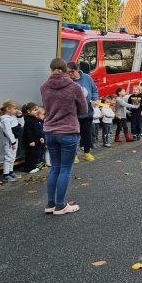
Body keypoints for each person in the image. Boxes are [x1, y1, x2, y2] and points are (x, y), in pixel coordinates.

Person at [41, 58, 87, 216]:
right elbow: (83, 110)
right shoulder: (74, 87)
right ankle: (61, 206)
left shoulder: (44, 87)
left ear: (51, 69)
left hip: (50, 131)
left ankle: (50, 204)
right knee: (65, 170)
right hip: (68, 130)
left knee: (55, 168)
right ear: (66, 70)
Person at [67, 61, 99, 162]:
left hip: (87, 110)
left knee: (87, 133)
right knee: (74, 134)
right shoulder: (67, 81)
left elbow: (94, 90)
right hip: (74, 112)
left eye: (71, 72)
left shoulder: (87, 77)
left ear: (76, 70)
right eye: (67, 73)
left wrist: (94, 99)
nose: (69, 74)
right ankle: (74, 155)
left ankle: (87, 153)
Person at [0, 99, 23, 183]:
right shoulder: (5, 119)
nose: (16, 110)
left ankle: (11, 172)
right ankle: (5, 175)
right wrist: (13, 141)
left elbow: (21, 125)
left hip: (15, 139)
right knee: (8, 156)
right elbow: (8, 131)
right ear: (8, 109)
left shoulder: (13, 117)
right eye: (15, 108)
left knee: (13, 156)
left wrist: (20, 116)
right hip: (9, 140)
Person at [20, 102, 44, 174]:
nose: (37, 111)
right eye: (35, 110)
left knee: (35, 154)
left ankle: (35, 166)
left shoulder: (35, 119)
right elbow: (28, 131)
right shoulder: (27, 120)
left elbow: (38, 129)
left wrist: (41, 137)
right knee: (30, 155)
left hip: (36, 140)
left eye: (37, 109)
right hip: (30, 141)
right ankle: (28, 168)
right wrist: (30, 140)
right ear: (28, 111)